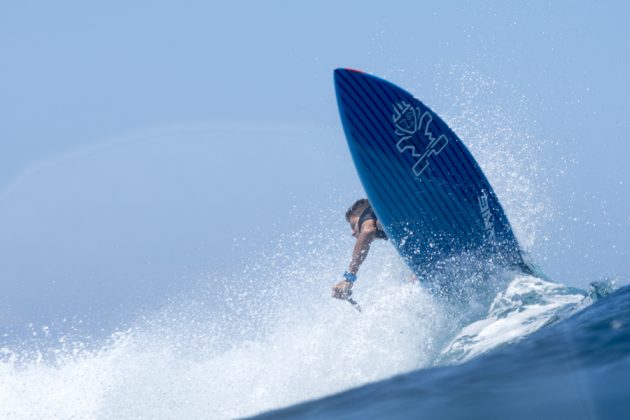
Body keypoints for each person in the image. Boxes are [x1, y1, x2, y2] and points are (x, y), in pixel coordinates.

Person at [332, 198, 388, 300]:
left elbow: (367, 232)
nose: (353, 233)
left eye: (353, 225)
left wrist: (349, 279)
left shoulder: (368, 214)